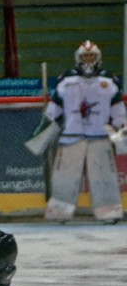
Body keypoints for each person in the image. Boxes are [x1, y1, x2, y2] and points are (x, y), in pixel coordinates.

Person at [31, 40, 126, 224]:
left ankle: (109, 213)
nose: (88, 60)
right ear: (78, 58)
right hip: (71, 137)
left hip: (99, 137)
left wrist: (121, 139)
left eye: (91, 56)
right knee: (64, 177)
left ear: (98, 57)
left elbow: (118, 113)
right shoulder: (66, 80)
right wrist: (40, 138)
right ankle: (59, 212)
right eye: (85, 56)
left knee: (104, 177)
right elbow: (54, 111)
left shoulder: (109, 80)